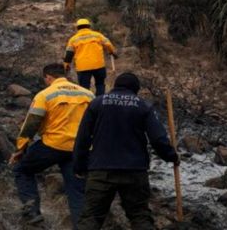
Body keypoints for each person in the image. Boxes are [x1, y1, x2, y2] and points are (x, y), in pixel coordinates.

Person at [73, 72, 180, 230]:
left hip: (100, 170)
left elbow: (82, 138)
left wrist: (79, 165)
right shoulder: (143, 106)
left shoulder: (97, 103)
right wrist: (172, 156)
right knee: (139, 216)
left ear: (115, 86)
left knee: (91, 218)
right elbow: (158, 139)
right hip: (134, 170)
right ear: (136, 89)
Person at [10, 63, 95, 227]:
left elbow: (31, 124)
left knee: (22, 170)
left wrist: (20, 148)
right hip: (80, 149)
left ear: (48, 77)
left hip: (53, 145)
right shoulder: (88, 94)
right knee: (77, 191)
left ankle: (33, 213)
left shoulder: (45, 95)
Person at [63, 18, 116, 96]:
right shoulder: (97, 35)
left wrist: (66, 65)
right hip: (98, 65)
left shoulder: (73, 39)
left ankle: (87, 101)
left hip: (83, 67)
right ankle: (99, 100)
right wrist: (112, 52)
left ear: (77, 28)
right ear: (89, 26)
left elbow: (69, 54)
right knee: (100, 84)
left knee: (84, 88)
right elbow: (108, 44)